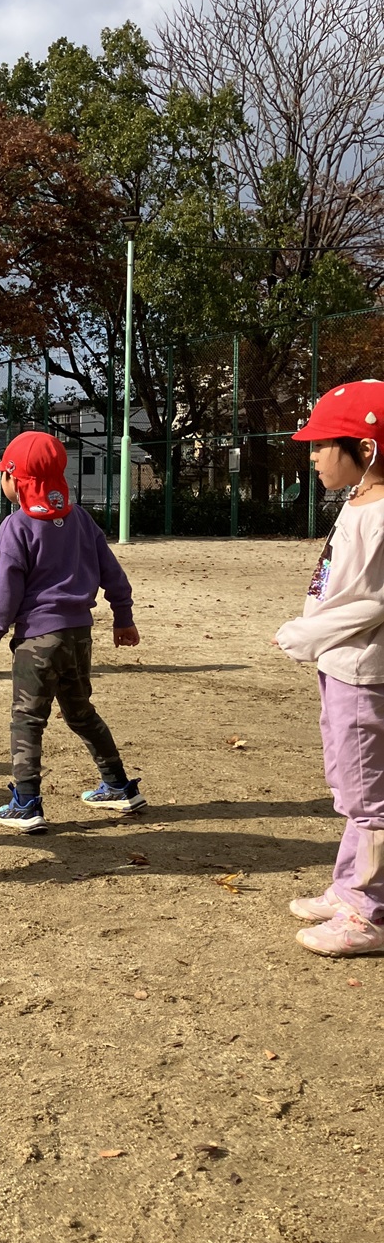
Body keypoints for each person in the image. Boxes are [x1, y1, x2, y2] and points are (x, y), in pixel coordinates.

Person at [0, 430, 143, 833]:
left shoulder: (16, 526)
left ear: (17, 480)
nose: (3, 481)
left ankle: (26, 802)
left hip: (37, 640)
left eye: (5, 475)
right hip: (78, 634)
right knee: (80, 711)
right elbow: (111, 571)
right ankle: (119, 785)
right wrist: (122, 615)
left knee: (27, 719)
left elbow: (4, 591)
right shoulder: (80, 518)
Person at [275, 382, 384, 957]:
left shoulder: (381, 513)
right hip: (341, 664)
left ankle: (369, 911)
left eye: (323, 446)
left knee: (369, 796)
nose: (314, 456)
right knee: (350, 782)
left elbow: (374, 602)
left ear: (365, 448)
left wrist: (307, 633)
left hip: (365, 669)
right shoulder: (359, 500)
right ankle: (349, 888)